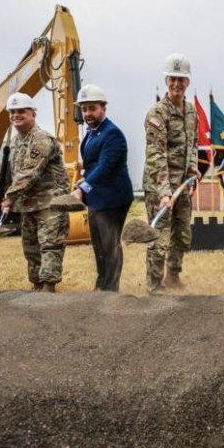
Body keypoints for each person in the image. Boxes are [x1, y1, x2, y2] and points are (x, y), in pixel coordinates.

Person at [142, 53, 201, 294]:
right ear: (166, 81)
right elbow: (156, 156)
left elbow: (194, 145)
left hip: (182, 186)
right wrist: (165, 193)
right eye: (172, 79)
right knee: (160, 236)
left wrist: (193, 170)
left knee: (183, 235)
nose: (176, 84)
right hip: (161, 187)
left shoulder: (190, 112)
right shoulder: (157, 113)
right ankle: (154, 285)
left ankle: (173, 277)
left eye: (181, 79)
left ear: (187, 82)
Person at [0, 92, 71, 293]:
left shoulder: (42, 139)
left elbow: (28, 174)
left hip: (50, 203)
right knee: (30, 248)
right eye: (12, 112)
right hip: (28, 204)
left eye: (21, 111)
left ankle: (48, 288)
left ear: (33, 114)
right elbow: (12, 173)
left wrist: (9, 197)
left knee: (50, 246)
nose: (16, 115)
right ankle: (37, 286)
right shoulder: (14, 142)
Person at [69, 84, 134, 292]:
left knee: (110, 244)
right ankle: (101, 283)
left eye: (92, 108)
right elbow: (91, 166)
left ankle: (112, 288)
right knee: (97, 244)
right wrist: (83, 181)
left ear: (103, 108)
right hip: (96, 197)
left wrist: (82, 188)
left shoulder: (112, 134)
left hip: (113, 199)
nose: (87, 113)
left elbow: (105, 166)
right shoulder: (91, 134)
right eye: (84, 108)